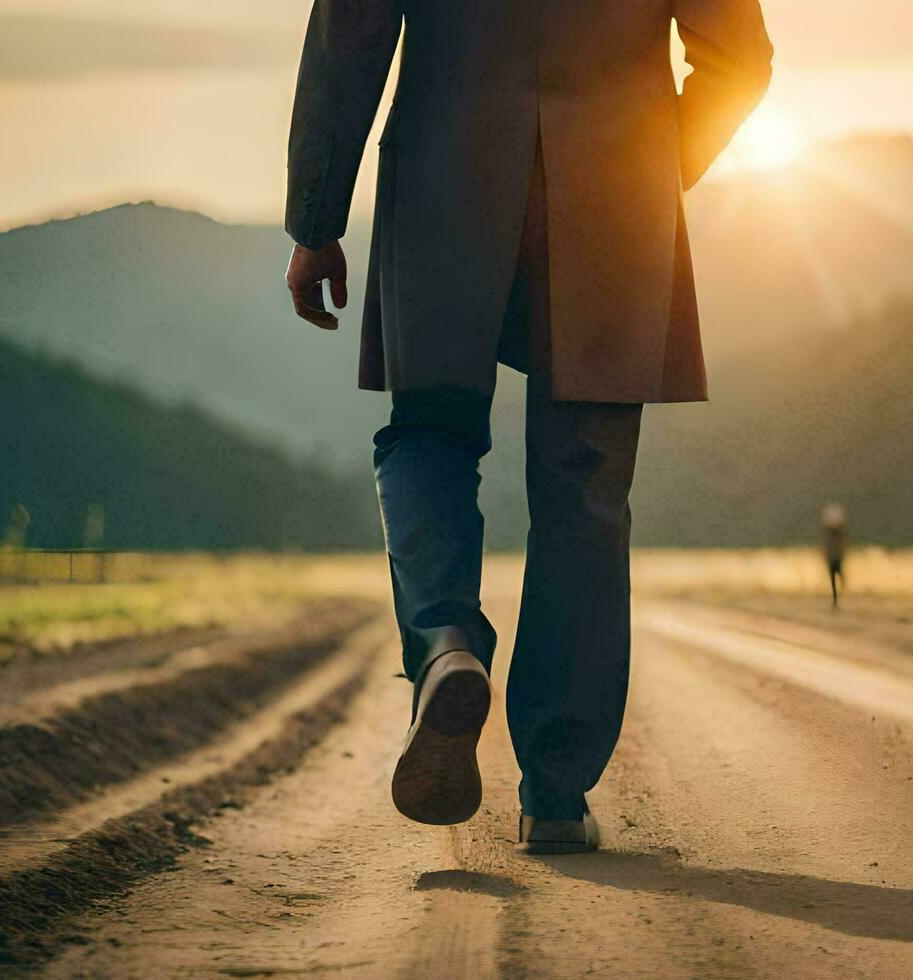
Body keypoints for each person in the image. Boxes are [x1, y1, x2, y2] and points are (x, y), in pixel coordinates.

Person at [283, 0, 773, 854]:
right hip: (616, 197)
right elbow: (741, 58)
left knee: (430, 431)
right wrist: (653, 163)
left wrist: (317, 220)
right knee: (584, 478)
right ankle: (555, 790)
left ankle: (443, 642)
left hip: (445, 178)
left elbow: (350, 27)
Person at [820, 502, 848, 607]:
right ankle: (836, 597)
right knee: (834, 575)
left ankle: (839, 595)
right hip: (833, 556)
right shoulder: (834, 536)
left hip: (835, 556)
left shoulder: (837, 536)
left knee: (837, 574)